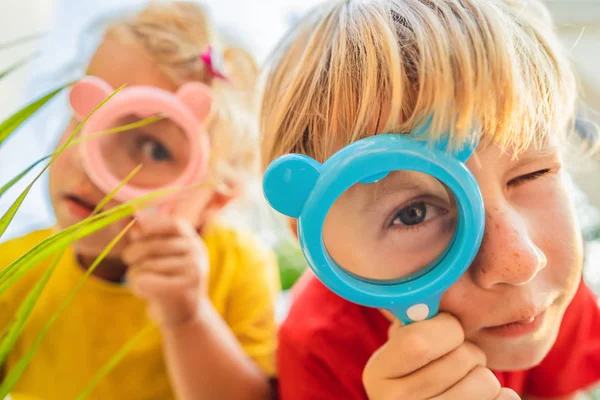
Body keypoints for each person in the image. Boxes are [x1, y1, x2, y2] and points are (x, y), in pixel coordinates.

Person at [260, 0, 600, 398]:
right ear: (321, 248)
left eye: (532, 173)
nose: (520, 262)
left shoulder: (550, 293)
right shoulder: (320, 344)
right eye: (413, 213)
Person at [0, 2, 279, 399]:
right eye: (88, 114)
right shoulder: (14, 271)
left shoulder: (237, 270)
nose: (88, 159)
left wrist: (188, 317)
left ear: (216, 199)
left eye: (153, 149)